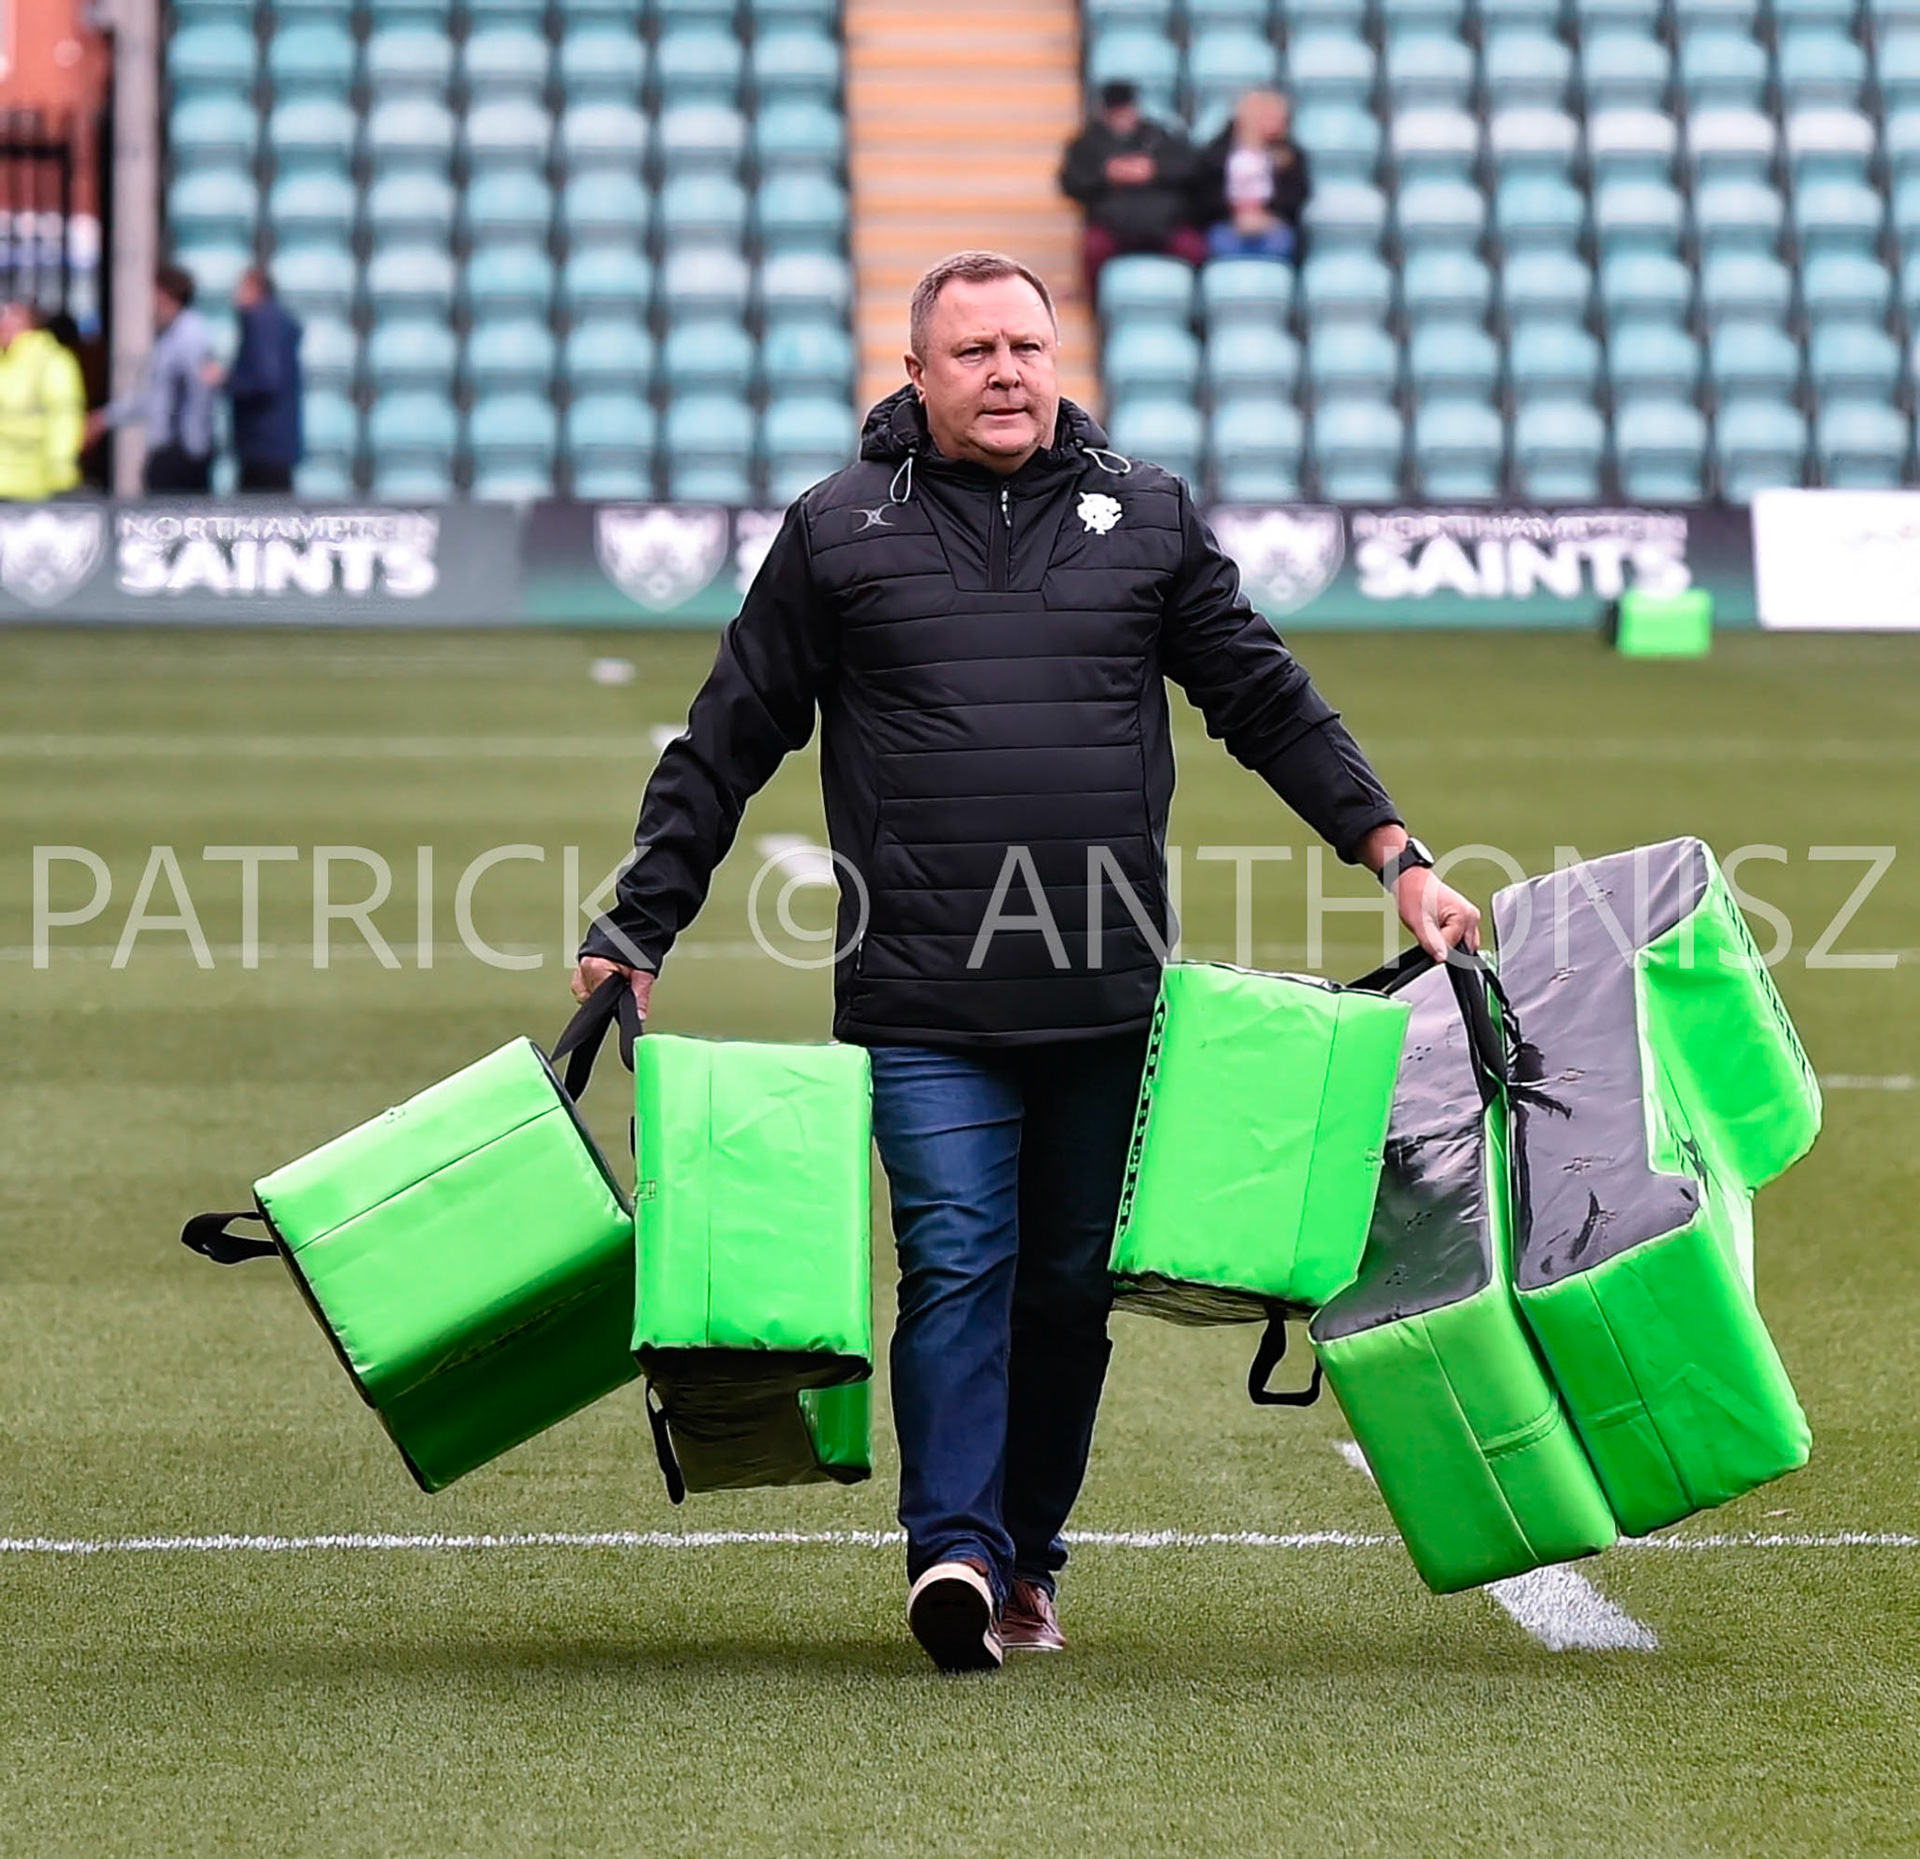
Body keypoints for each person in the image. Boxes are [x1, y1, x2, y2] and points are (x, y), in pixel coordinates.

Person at [571, 250, 1480, 1675]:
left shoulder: (1150, 518)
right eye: (975, 349)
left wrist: (1396, 853)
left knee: (1064, 1290)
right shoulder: (838, 527)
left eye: (1028, 347)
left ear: (1060, 362)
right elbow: (731, 731)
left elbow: (1264, 696)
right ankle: (952, 1548)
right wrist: (639, 922)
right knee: (954, 1258)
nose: (1007, 371)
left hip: (1106, 992)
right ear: (917, 372)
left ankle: (1026, 1559)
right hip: (919, 994)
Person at [1059, 81, 1207, 300]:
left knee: (1194, 248)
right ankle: (1094, 305)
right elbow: (1071, 182)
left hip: (1165, 225)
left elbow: (1192, 171)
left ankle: (1196, 306)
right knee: (1093, 247)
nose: (1121, 116)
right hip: (1112, 226)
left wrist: (1155, 169)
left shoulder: (1160, 137)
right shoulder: (1087, 143)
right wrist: (1105, 174)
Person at [86, 263, 215, 493]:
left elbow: (195, 392)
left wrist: (193, 447)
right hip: (173, 451)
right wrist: (107, 417)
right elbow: (154, 396)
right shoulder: (170, 337)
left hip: (180, 453)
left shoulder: (189, 337)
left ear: (165, 295)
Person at [208, 266, 303, 492]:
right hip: (274, 441)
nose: (235, 295)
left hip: (263, 441)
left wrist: (226, 380)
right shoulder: (277, 321)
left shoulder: (261, 322)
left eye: (241, 288)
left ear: (256, 289)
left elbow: (266, 379)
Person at [1193, 90, 1312, 263]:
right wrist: (1236, 213)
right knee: (1221, 243)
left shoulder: (1292, 156)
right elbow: (1204, 194)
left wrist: (1266, 215)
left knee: (1279, 243)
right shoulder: (1217, 154)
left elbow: (1298, 196)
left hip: (1273, 226)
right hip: (1227, 224)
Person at [0, 299, 87, 501]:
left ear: (29, 323)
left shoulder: (51, 360)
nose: (3, 324)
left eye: (9, 317)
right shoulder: (5, 360)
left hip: (35, 484)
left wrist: (60, 468)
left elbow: (64, 417)